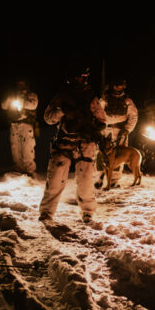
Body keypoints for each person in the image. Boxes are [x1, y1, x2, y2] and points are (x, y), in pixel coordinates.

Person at [39, 64, 107, 223]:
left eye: (82, 77)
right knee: (55, 180)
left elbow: (102, 119)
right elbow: (48, 118)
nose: (79, 80)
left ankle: (87, 211)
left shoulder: (90, 97)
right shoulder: (62, 96)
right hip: (64, 142)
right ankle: (46, 212)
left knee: (85, 181)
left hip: (85, 143)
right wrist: (62, 111)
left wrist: (96, 127)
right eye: (77, 77)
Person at [95, 77, 138, 186]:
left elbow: (133, 116)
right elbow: (97, 113)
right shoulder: (104, 100)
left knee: (120, 155)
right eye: (116, 86)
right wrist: (99, 128)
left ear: (124, 86)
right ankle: (99, 178)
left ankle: (114, 181)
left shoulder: (128, 101)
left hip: (121, 132)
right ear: (112, 86)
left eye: (120, 86)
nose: (118, 88)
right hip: (106, 130)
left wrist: (127, 130)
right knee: (101, 153)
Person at [1, 79, 39, 176]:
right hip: (14, 125)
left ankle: (29, 171)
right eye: (18, 84)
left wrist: (21, 100)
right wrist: (10, 98)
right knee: (15, 147)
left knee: (27, 148)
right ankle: (18, 168)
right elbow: (4, 106)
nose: (20, 86)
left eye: (22, 84)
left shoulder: (31, 95)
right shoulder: (12, 95)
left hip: (26, 124)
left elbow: (33, 105)